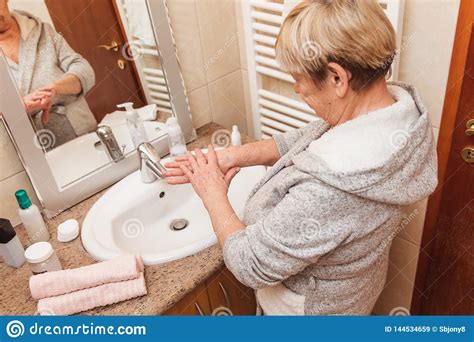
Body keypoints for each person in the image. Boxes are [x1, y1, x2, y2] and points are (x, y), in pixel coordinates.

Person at [164, 0, 438, 315]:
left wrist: (212, 193)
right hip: (353, 292)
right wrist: (233, 155)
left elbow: (250, 263)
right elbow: (306, 139)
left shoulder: (332, 189)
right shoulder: (400, 118)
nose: (295, 88)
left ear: (337, 78)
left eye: (298, 78)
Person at [0, 1, 97, 148]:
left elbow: (84, 70)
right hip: (33, 151)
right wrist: (18, 107)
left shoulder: (42, 30)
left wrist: (55, 88)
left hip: (82, 133)